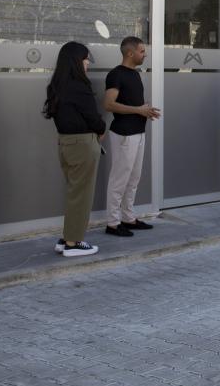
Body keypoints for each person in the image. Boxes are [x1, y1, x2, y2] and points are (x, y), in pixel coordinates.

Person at [43, 41, 105, 257]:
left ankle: (67, 237)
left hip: (65, 143)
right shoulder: (79, 86)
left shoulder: (57, 85)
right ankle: (73, 242)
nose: (88, 63)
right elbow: (93, 117)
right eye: (85, 58)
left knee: (74, 193)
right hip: (82, 144)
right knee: (82, 194)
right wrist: (101, 129)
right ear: (76, 61)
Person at [103, 36, 161, 235]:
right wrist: (138, 110)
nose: (145, 54)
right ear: (130, 53)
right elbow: (109, 104)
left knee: (134, 178)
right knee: (119, 178)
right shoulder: (115, 75)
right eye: (142, 51)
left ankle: (128, 218)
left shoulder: (135, 75)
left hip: (138, 132)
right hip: (124, 134)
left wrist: (145, 111)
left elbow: (135, 106)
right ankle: (112, 223)